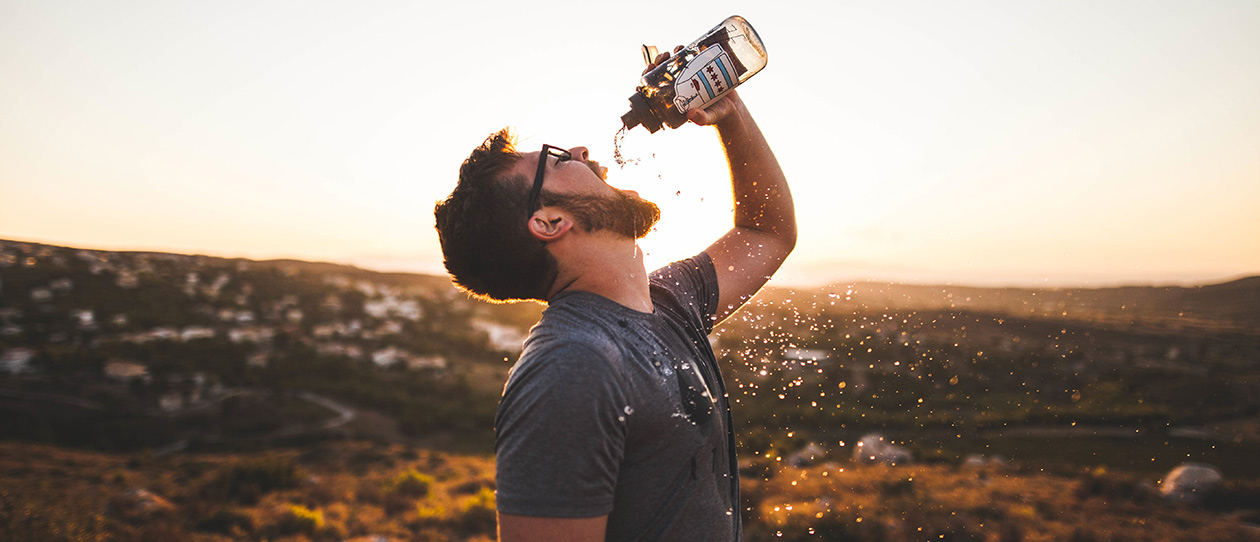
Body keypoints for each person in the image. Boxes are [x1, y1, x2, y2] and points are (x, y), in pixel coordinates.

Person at [433, 49, 795, 542]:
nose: (580, 151)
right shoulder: (571, 368)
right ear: (550, 222)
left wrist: (729, 110)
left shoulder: (667, 302)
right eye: (558, 160)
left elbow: (765, 232)